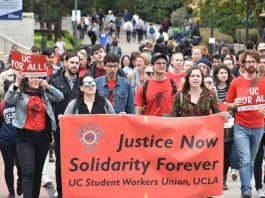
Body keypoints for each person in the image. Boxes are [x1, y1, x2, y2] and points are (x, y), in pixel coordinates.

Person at [4, 73, 63, 198]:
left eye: (38, 77)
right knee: (28, 171)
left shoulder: (45, 94)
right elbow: (8, 99)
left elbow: (60, 96)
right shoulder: (20, 94)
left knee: (37, 173)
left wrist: (48, 86)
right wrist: (17, 82)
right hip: (25, 137)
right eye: (32, 77)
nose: (36, 80)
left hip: (43, 137)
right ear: (27, 80)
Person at [226, 50, 265, 198]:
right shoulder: (236, 82)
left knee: (252, 162)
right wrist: (234, 104)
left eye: (253, 62)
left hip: (258, 127)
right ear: (243, 63)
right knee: (245, 159)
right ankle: (246, 189)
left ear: (257, 63)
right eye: (248, 61)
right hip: (241, 126)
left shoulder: (263, 82)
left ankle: (246, 186)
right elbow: (226, 104)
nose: (251, 64)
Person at [49, 52, 81, 198]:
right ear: (65, 63)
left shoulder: (84, 82)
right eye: (72, 62)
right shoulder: (55, 82)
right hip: (60, 129)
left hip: (81, 130)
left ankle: (78, 192)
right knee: (61, 162)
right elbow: (48, 106)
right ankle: (61, 192)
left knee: (80, 162)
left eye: (77, 63)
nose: (75, 65)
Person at [213, 64, 234, 190]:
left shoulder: (232, 87)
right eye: (221, 73)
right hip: (214, 124)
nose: (224, 75)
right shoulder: (212, 88)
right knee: (215, 152)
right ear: (216, 75)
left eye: (226, 73)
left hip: (229, 124)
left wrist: (228, 106)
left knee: (226, 152)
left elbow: (235, 103)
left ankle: (223, 178)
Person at [0, 80, 22, 198]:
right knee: (8, 166)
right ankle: (11, 191)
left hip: (21, 141)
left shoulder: (22, 103)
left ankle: (20, 182)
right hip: (5, 140)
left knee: (21, 167)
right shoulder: (2, 105)